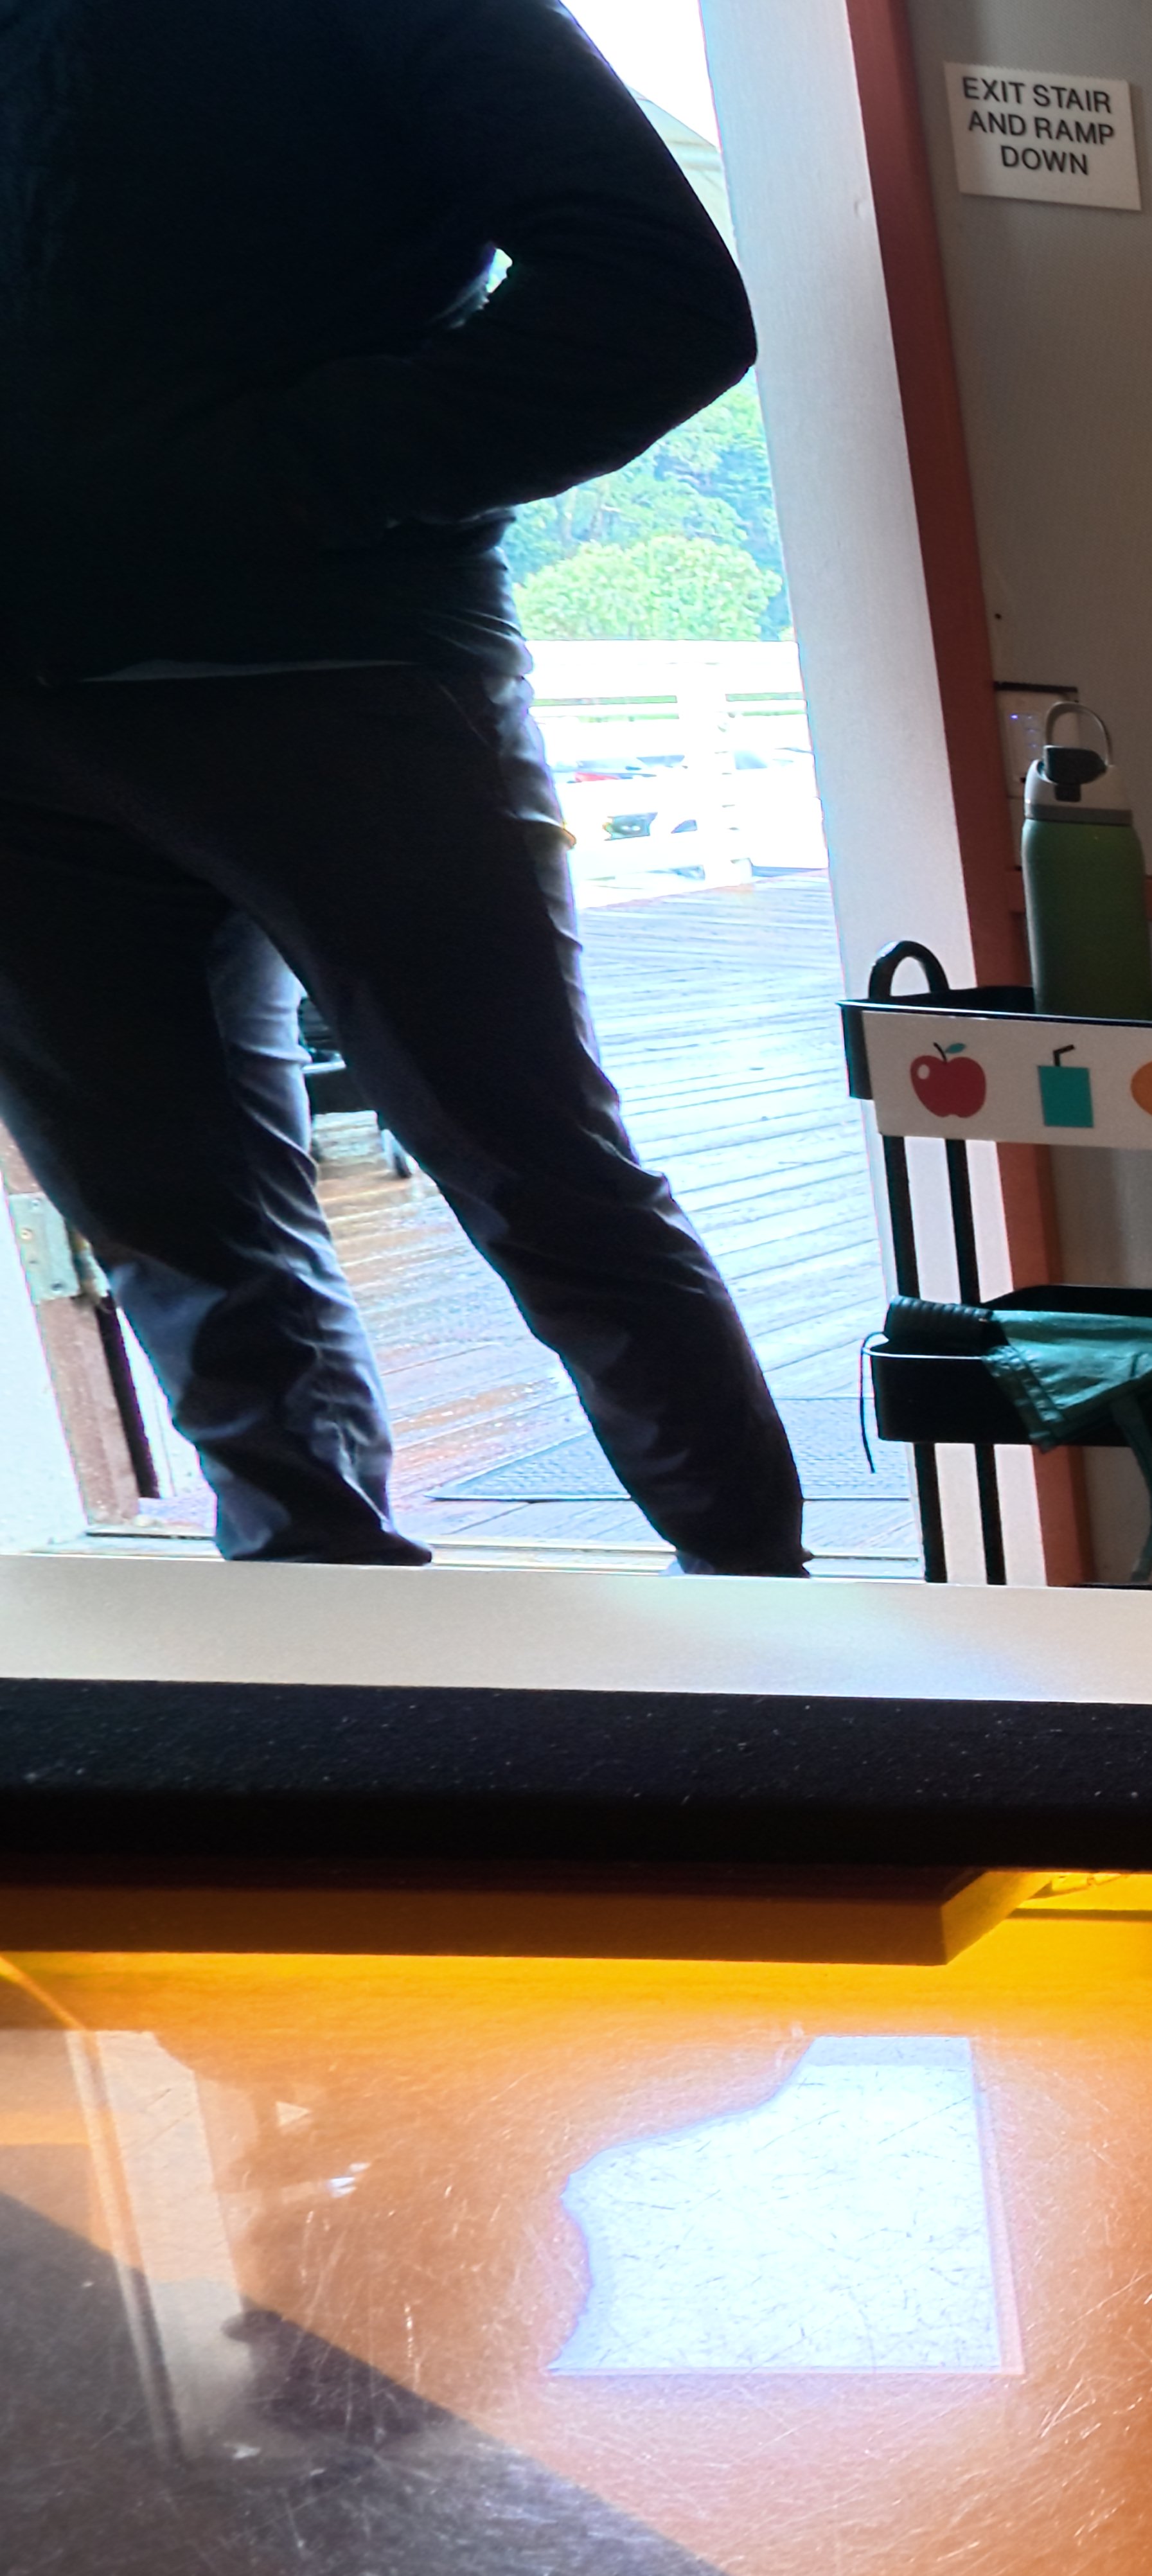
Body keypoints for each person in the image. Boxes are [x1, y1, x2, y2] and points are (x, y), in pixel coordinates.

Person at [0, 0, 807, 1570]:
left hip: (345, 673)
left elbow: (657, 299)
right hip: (24, 725)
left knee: (546, 1193)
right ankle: (328, 1653)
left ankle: (768, 1651)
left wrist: (283, 474)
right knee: (179, 1242)